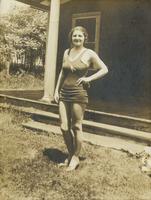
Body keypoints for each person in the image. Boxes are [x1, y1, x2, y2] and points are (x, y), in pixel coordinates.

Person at [54, 26, 108, 171]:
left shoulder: (89, 53)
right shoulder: (67, 52)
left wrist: (88, 78)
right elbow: (62, 72)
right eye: (74, 36)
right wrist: (56, 90)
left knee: (76, 126)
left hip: (78, 94)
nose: (77, 38)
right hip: (64, 93)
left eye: (80, 36)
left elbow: (104, 69)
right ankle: (71, 154)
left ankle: (75, 157)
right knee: (64, 127)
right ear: (71, 37)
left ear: (85, 38)